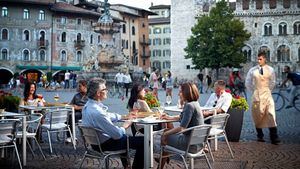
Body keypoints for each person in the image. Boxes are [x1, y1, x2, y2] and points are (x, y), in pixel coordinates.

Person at [81, 78, 144, 169]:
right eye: (105, 89)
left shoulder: (88, 106)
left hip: (94, 143)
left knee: (125, 138)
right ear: (98, 93)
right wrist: (126, 125)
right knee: (144, 141)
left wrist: (123, 117)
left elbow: (107, 115)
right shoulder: (97, 112)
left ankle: (127, 166)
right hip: (104, 145)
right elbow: (117, 134)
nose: (107, 91)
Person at [158, 82, 204, 169]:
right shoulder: (195, 103)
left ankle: (162, 161)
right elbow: (182, 118)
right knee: (167, 132)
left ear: (186, 93)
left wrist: (165, 134)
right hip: (198, 143)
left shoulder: (189, 106)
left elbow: (182, 128)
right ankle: (164, 158)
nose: (179, 94)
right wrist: (169, 117)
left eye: (180, 92)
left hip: (190, 145)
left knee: (165, 133)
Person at [245, 52, 280, 145]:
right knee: (257, 114)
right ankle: (259, 134)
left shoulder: (271, 70)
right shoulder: (253, 70)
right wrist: (254, 91)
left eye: (260, 59)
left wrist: (268, 90)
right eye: (258, 59)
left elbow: (273, 82)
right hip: (257, 94)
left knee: (271, 114)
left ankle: (274, 136)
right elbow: (248, 82)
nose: (259, 61)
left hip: (267, 94)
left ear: (265, 59)